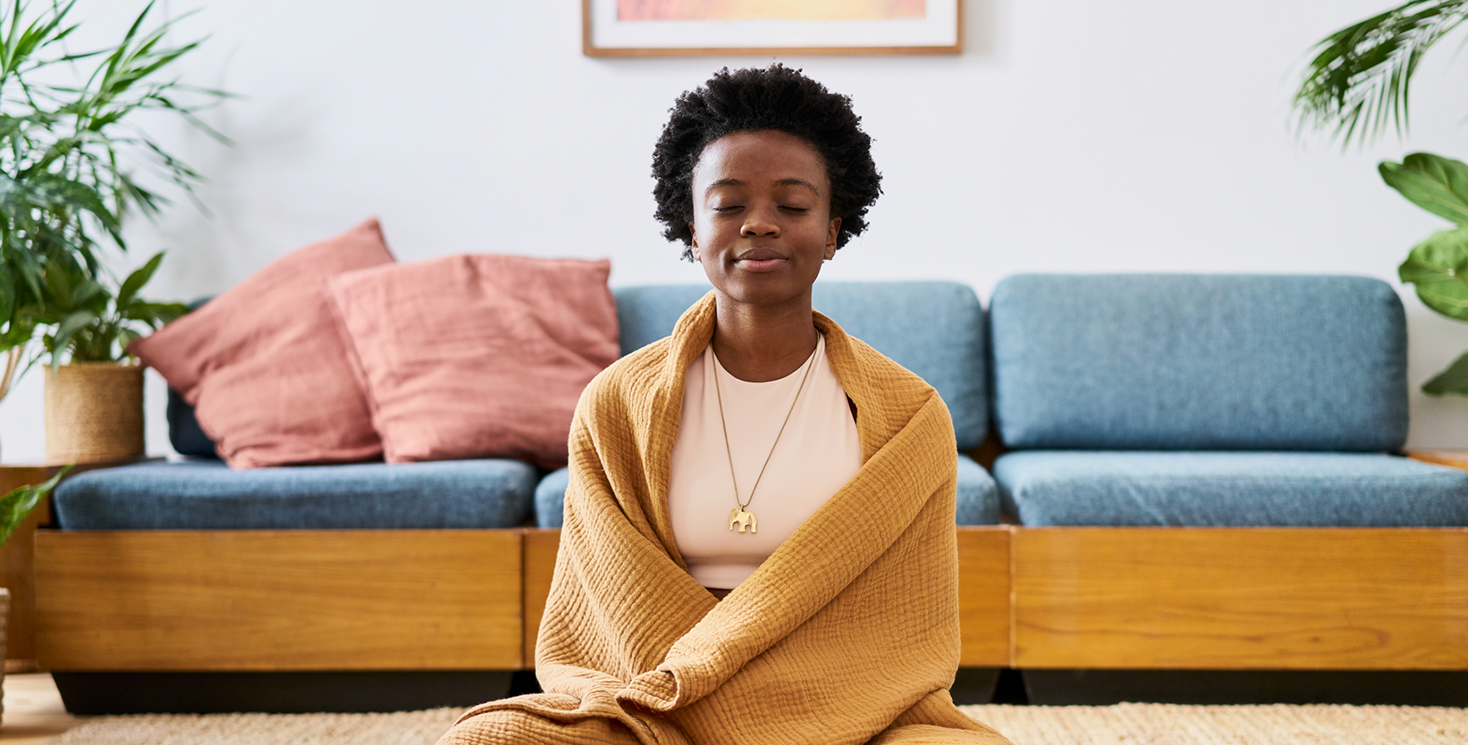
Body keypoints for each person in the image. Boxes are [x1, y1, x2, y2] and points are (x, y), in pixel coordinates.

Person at [438, 64, 1011, 745]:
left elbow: (903, 633)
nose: (760, 225)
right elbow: (609, 618)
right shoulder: (616, 405)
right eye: (730, 204)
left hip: (851, 707)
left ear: (832, 229)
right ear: (690, 228)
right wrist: (704, 697)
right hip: (659, 702)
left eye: (793, 206)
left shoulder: (910, 418)